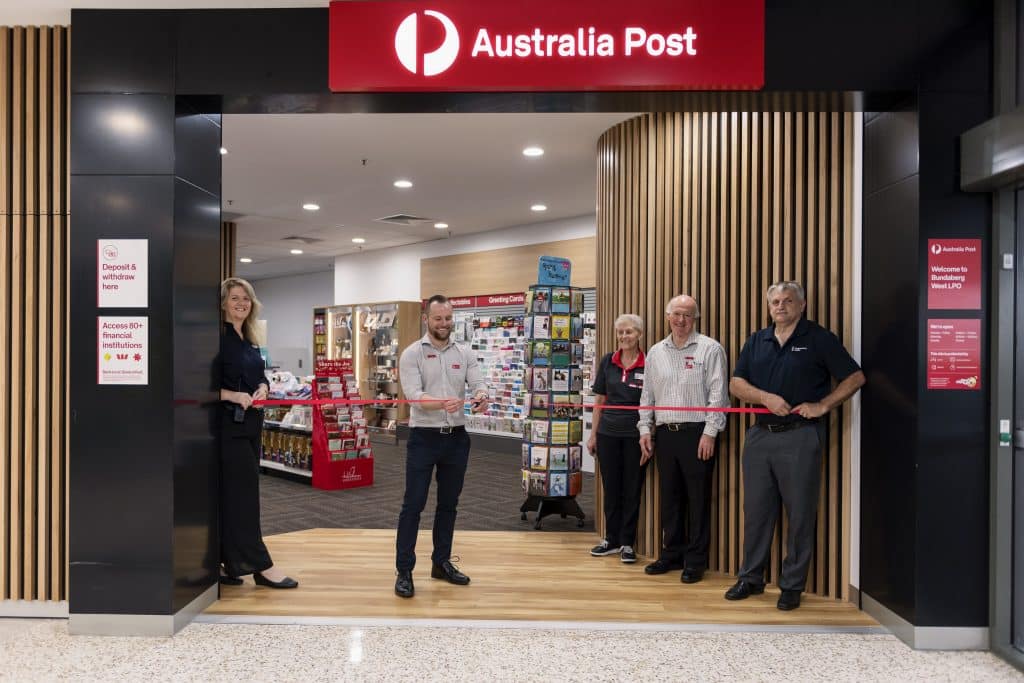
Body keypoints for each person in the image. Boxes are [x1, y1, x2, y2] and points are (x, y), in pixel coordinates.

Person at [725, 281, 864, 611]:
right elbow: (736, 383)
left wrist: (824, 405)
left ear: (802, 305)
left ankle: (792, 585)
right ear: (768, 306)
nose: (780, 306)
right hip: (759, 436)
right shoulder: (757, 340)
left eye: (788, 300)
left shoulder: (818, 338)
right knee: (756, 512)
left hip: (801, 435)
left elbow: (855, 377)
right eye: (775, 301)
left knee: (800, 513)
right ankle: (751, 578)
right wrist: (764, 397)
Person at [394, 294, 489, 598]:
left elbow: (478, 383)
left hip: (457, 438)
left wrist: (482, 395)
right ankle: (404, 571)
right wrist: (438, 404)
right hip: (424, 437)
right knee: (414, 505)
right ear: (427, 319)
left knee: (449, 505)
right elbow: (413, 395)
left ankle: (441, 562)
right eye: (438, 319)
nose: (444, 324)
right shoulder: (411, 354)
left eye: (448, 318)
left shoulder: (465, 352)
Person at [638, 295, 728, 584]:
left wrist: (710, 433)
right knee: (670, 498)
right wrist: (644, 429)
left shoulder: (710, 348)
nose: (681, 320)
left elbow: (719, 396)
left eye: (687, 315)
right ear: (667, 316)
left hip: (697, 435)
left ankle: (695, 561)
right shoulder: (655, 352)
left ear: (695, 319)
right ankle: (671, 554)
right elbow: (647, 396)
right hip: (665, 435)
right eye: (676, 314)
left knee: (698, 500)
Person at [217, 277, 297, 588]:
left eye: (246, 298)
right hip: (228, 427)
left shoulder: (248, 338)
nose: (241, 303)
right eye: (235, 298)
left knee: (235, 497)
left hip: (251, 425)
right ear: (223, 302)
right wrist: (232, 396)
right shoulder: (216, 338)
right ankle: (260, 566)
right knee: (243, 498)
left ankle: (225, 562)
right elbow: (198, 384)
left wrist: (263, 386)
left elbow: (258, 374)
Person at [587, 314, 648, 564]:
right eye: (620, 332)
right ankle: (611, 539)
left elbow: (651, 402)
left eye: (629, 332)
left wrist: (649, 434)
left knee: (632, 489)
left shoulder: (649, 363)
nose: (624, 336)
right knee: (611, 488)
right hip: (608, 434)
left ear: (639, 335)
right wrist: (592, 435)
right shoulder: (607, 362)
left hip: (635, 436)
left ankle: (627, 542)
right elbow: (600, 400)